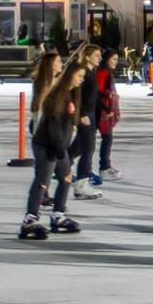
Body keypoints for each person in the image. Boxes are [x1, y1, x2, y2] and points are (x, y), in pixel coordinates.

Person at [19, 52, 82, 240]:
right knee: (42, 181)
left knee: (66, 178)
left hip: (58, 145)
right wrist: (61, 151)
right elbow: (53, 127)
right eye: (79, 76)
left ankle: (58, 215)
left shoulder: (66, 94)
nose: (81, 79)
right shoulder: (56, 94)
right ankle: (30, 219)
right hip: (47, 145)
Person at [68, 46, 108, 200]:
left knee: (78, 146)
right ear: (86, 56)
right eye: (96, 55)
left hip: (90, 114)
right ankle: (81, 185)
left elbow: (92, 95)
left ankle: (61, 166)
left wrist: (104, 107)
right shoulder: (82, 71)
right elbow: (74, 93)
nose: (99, 58)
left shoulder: (90, 72)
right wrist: (82, 114)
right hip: (85, 115)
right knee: (88, 147)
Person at [94, 54, 121, 179]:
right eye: (114, 59)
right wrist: (109, 95)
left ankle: (105, 166)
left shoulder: (105, 72)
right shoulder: (102, 72)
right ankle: (104, 167)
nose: (116, 62)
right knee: (106, 138)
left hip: (102, 109)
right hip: (99, 110)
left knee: (106, 139)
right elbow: (97, 91)